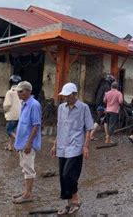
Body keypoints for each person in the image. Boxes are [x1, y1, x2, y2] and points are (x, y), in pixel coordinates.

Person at [51, 82, 93, 215]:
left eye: (68, 96)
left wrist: (86, 146)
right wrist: (55, 144)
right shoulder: (61, 108)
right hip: (62, 146)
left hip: (76, 146)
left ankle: (75, 199)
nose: (65, 98)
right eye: (64, 96)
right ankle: (69, 204)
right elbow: (60, 127)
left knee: (68, 174)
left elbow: (88, 129)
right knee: (62, 177)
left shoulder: (83, 108)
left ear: (75, 95)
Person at [12, 81, 42, 204]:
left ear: (28, 91)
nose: (19, 94)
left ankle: (28, 194)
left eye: (21, 91)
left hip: (27, 143)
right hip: (22, 141)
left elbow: (36, 125)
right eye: (18, 91)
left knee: (29, 168)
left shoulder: (34, 105)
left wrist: (29, 143)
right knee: (24, 167)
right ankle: (26, 191)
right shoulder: (24, 103)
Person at [3, 75, 22, 151]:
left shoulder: (10, 92)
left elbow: (7, 104)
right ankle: (10, 146)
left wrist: (5, 110)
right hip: (20, 114)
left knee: (9, 130)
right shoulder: (21, 91)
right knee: (13, 130)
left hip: (12, 114)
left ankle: (19, 141)